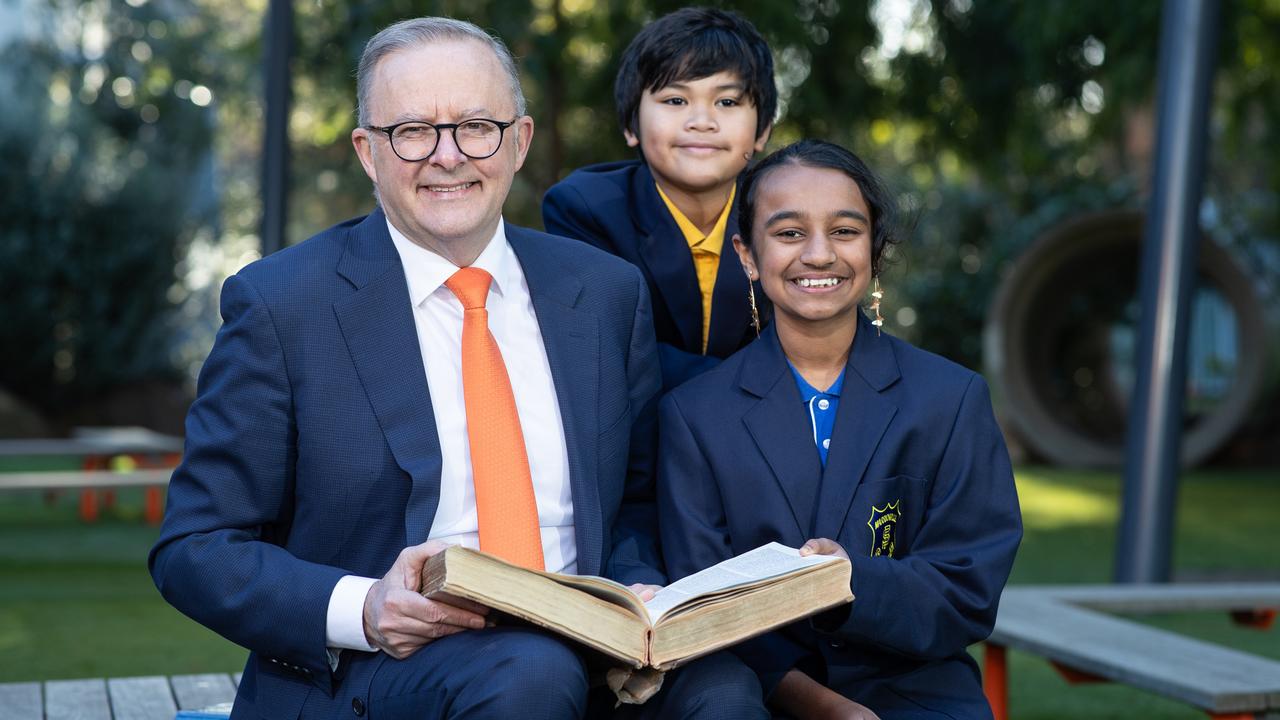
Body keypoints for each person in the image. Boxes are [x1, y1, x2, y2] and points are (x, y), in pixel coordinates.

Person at [150, 17, 766, 720]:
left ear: (519, 140)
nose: (448, 156)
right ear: (366, 151)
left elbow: (631, 499)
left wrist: (638, 588)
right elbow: (196, 548)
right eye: (413, 130)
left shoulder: (602, 293)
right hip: (381, 671)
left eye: (477, 126)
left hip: (597, 653)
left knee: (725, 689)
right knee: (531, 674)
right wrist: (365, 607)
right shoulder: (283, 306)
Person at [657, 140, 1023, 720]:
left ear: (875, 250)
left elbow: (967, 591)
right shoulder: (695, 415)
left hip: (917, 690)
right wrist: (825, 707)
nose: (820, 254)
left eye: (845, 231)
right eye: (789, 233)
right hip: (759, 695)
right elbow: (704, 612)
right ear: (748, 255)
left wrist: (849, 581)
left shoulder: (951, 400)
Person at [543, 7, 775, 391]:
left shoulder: (784, 214)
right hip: (634, 438)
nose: (702, 121)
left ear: (762, 129)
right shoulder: (585, 209)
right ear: (631, 124)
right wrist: (756, 383)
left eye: (727, 102)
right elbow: (611, 348)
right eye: (675, 101)